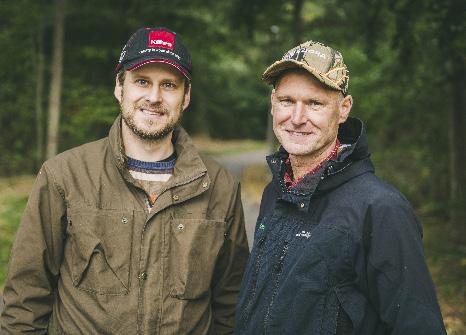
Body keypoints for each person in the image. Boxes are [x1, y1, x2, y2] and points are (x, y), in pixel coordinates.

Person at [1, 27, 249, 334]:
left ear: (186, 96)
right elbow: (26, 297)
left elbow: (230, 304)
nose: (154, 97)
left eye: (169, 85)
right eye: (142, 81)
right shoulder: (64, 175)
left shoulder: (220, 187)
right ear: (120, 87)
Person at [235, 40, 446, 334]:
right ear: (273, 103)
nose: (296, 118)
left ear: (343, 109)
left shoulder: (381, 209)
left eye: (315, 103)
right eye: (287, 101)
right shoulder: (275, 192)